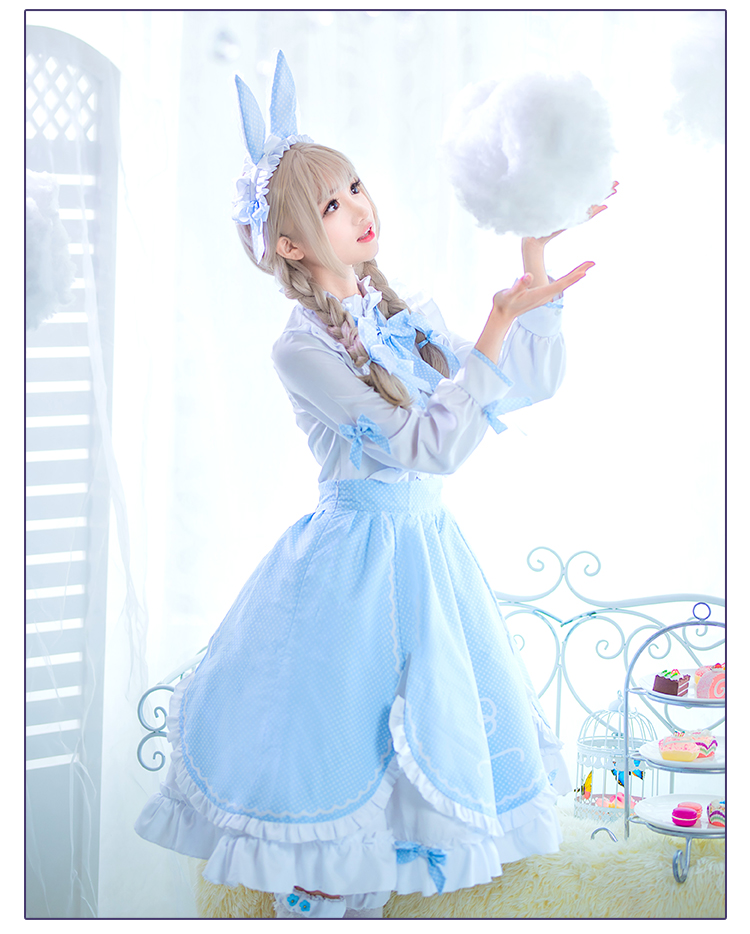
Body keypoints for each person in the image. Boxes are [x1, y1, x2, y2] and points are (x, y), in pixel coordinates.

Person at [135, 53, 613, 919]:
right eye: (331, 204)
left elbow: (517, 389)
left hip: (427, 554)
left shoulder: (400, 312)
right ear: (287, 244)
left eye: (355, 187)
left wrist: (533, 261)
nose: (361, 208)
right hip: (350, 570)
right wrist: (495, 324)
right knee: (342, 754)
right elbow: (429, 448)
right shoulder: (301, 349)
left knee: (423, 739)